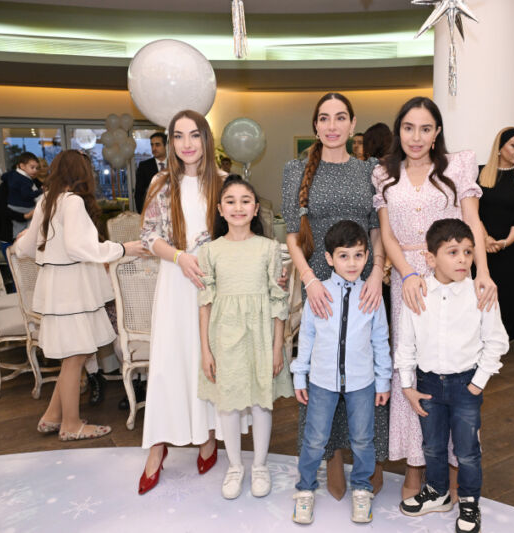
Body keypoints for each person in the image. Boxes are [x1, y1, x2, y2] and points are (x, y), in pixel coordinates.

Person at [371, 96, 495, 500]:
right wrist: (407, 274)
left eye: (426, 128)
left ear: (437, 132)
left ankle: (457, 467)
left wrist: (482, 273)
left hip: (452, 275)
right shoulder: (384, 173)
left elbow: (473, 221)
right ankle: (415, 465)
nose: (417, 137)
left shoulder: (457, 167)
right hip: (407, 278)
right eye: (409, 127)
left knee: (455, 364)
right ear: (399, 130)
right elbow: (387, 235)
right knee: (412, 365)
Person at [281, 92, 386, 500]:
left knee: (361, 363)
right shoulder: (296, 170)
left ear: (353, 123)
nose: (332, 126)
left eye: (340, 117)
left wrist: (377, 272)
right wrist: (309, 280)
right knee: (324, 371)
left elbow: (377, 228)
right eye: (324, 118)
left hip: (363, 278)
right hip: (319, 279)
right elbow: (293, 235)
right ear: (315, 125)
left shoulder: (371, 170)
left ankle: (368, 458)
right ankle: (332, 459)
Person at [12, 150, 144, 441]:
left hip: (59, 287)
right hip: (73, 289)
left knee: (75, 355)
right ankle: (70, 425)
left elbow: (27, 247)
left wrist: (21, 244)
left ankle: (52, 416)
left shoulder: (47, 200)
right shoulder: (71, 202)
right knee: (75, 356)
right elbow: (79, 248)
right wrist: (123, 248)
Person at [138, 109, 238, 495]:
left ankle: (207, 435)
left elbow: (239, 231)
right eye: (178, 136)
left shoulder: (225, 183)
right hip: (175, 282)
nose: (187, 144)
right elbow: (148, 235)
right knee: (168, 363)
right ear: (170, 143)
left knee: (206, 360)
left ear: (206, 138)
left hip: (214, 285)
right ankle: (157, 446)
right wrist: (180, 257)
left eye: (194, 135)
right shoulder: (161, 183)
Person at [396, 218, 507, 533]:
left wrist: (477, 383)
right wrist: (407, 385)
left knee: (467, 451)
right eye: (453, 252)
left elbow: (496, 342)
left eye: (468, 252)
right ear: (430, 259)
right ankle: (438, 492)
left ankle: (469, 502)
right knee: (432, 446)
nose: (463, 259)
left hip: (464, 385)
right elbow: (406, 343)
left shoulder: (479, 293)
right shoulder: (417, 293)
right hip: (427, 385)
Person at [197, 176, 293, 500]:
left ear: (255, 209)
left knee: (261, 401)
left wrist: (278, 347)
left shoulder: (269, 248)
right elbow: (205, 304)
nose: (238, 207)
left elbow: (278, 301)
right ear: (220, 209)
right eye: (230, 201)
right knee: (228, 403)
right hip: (224, 336)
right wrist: (205, 350)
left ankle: (260, 465)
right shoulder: (210, 251)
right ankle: (235, 466)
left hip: (261, 335)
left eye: (245, 201)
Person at [291, 220, 392, 525]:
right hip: (322, 381)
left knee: (363, 439)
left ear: (367, 257)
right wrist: (300, 374)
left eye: (358, 255)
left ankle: (362, 488)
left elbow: (381, 340)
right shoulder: (319, 293)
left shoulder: (371, 295)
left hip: (362, 383)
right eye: (344, 256)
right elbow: (306, 337)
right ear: (329, 258)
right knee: (314, 439)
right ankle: (305, 489)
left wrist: (383, 380)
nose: (352, 263)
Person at [478, 127, 514, 360]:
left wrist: (505, 242)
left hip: (511, 245)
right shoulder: (480, 175)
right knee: (484, 293)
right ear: (500, 147)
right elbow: (472, 211)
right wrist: (485, 238)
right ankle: (486, 338)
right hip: (482, 244)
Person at [3, 152, 41, 236]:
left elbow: (3, 176)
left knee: (19, 228)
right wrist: (40, 191)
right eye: (32, 167)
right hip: (22, 207)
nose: (35, 170)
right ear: (22, 166)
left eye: (37, 168)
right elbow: (27, 195)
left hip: (14, 206)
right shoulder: (25, 180)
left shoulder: (13, 174)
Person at [134, 132, 168, 213]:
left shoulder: (176, 164)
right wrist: (143, 213)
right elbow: (139, 193)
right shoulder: (144, 166)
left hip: (174, 212)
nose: (154, 148)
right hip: (153, 213)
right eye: (152, 145)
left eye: (157, 145)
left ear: (166, 146)